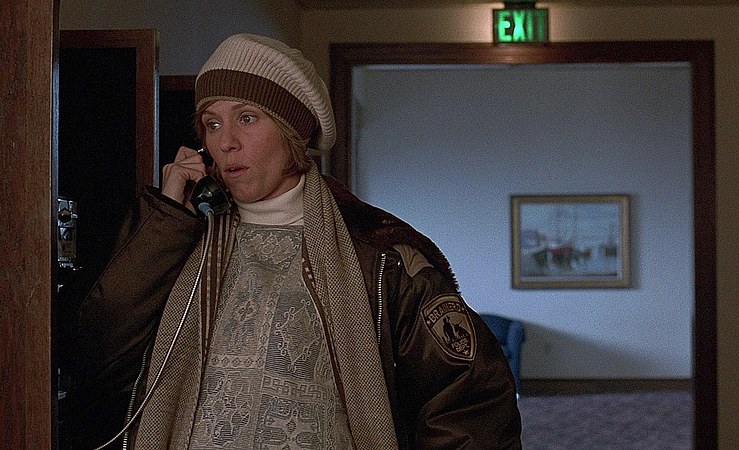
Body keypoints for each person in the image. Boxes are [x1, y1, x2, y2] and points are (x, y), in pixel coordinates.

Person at [59, 33, 522, 450]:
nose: (226, 142)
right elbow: (100, 359)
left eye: (247, 118)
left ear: (292, 132)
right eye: (212, 124)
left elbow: (468, 402)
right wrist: (166, 220)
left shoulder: (380, 257)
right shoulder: (179, 240)